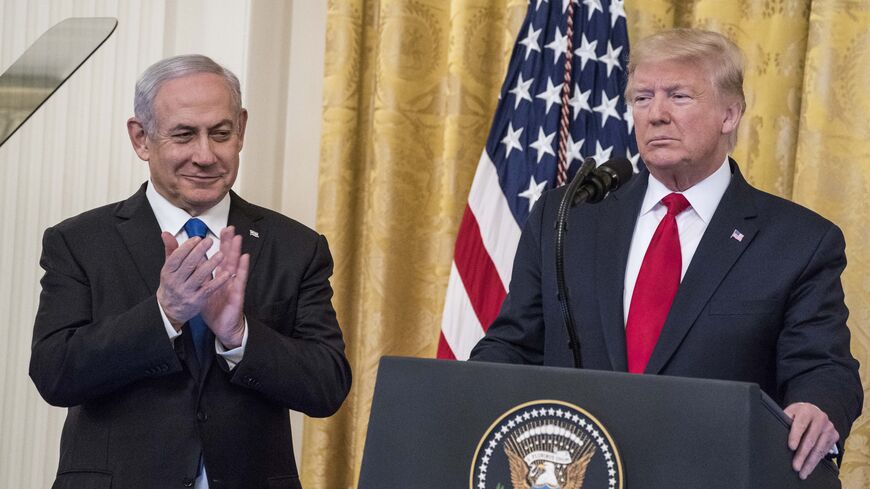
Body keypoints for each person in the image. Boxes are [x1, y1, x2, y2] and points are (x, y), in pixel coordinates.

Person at [470, 28, 862, 480]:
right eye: (642, 98)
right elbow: (514, 344)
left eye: (678, 96)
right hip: (583, 471)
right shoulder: (566, 217)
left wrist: (815, 404)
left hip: (713, 472)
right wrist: (457, 397)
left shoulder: (798, 241)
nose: (656, 114)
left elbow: (822, 366)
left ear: (729, 114)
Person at [29, 54, 351, 489]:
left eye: (220, 133)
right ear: (141, 138)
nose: (205, 155)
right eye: (184, 135)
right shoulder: (80, 241)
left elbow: (327, 385)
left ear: (241, 129)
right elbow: (55, 374)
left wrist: (240, 336)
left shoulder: (296, 247)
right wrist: (164, 314)